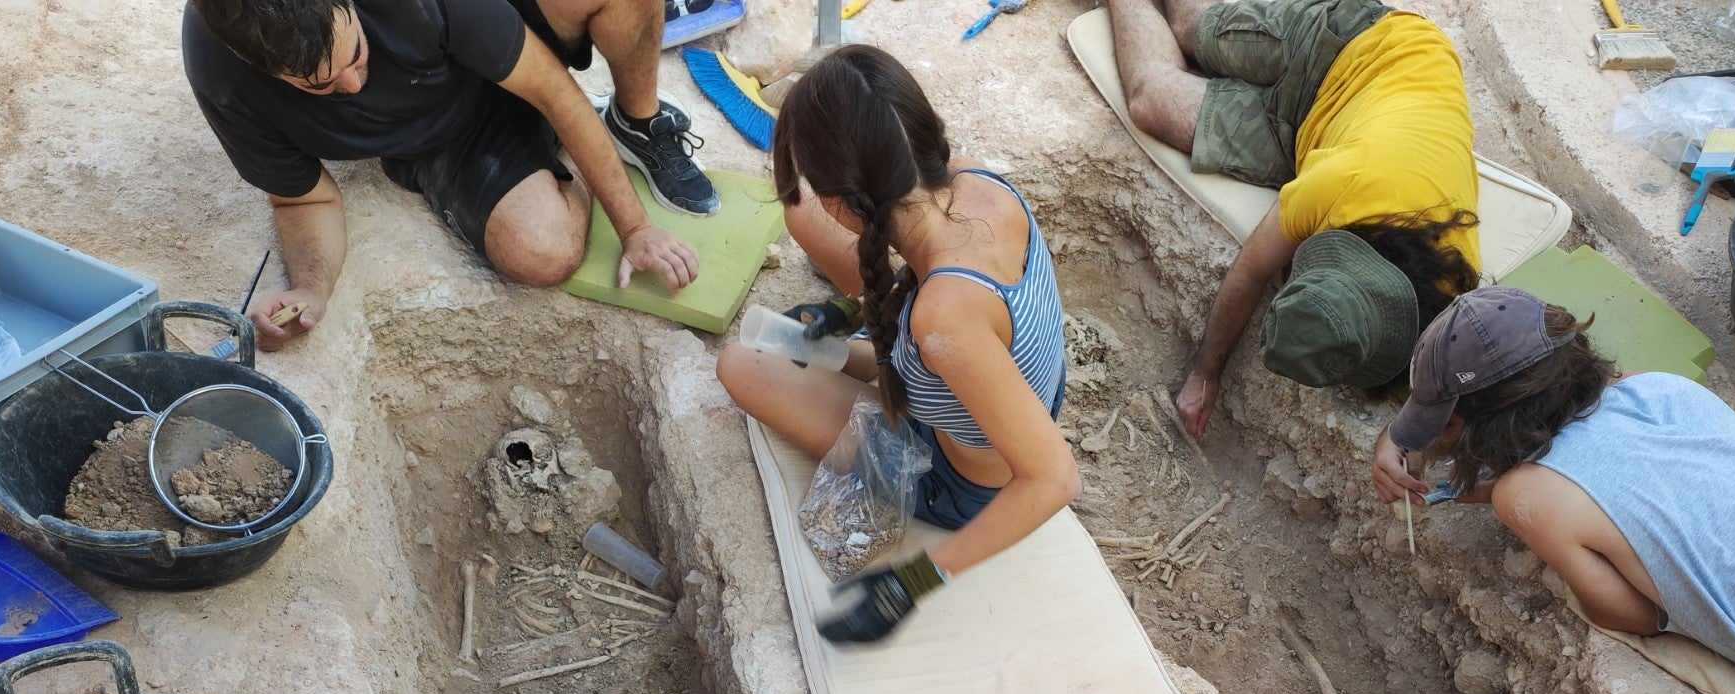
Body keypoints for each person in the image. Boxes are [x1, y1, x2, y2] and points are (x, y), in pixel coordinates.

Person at [1373, 287, 1735, 694]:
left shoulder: (1523, 494)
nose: (1440, 439)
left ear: (1482, 422)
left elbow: (1638, 617)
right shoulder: (1661, 389)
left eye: (1445, 425)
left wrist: (1511, 495)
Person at [715, 45, 1077, 644]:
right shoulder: (977, 180)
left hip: (959, 478)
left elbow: (1055, 479)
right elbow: (945, 355)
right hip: (1002, 388)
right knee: (796, 216)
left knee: (739, 364)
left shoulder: (941, 323)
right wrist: (848, 324)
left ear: (847, 205)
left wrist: (909, 585)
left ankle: (848, 337)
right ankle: (844, 327)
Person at [183, 0, 713, 352]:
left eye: (356, 53)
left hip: (497, 28)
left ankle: (636, 119)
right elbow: (302, 200)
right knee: (541, 252)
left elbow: (550, 88)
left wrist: (635, 227)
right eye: (319, 85)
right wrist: (310, 288)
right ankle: (548, 147)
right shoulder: (222, 75)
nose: (352, 83)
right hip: (439, 132)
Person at [1108, 0, 1480, 434]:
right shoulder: (1339, 187)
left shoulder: (1451, 283)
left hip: (1322, 134)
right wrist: (1205, 372)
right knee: (1191, 30)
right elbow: (1250, 271)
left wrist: (1407, 440)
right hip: (1358, 46)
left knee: (1153, 102)